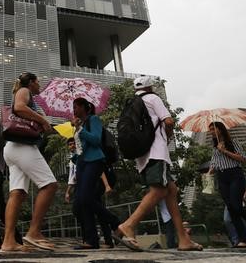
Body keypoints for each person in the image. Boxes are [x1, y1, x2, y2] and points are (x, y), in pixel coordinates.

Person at [115, 76, 202, 252]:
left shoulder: (132, 103)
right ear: (150, 87)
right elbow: (168, 121)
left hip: (142, 154)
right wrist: (168, 136)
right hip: (156, 152)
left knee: (171, 191)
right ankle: (129, 225)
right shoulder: (153, 98)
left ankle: (183, 239)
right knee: (160, 190)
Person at [0, 72, 57, 252]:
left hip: (12, 148)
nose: (39, 84)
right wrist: (43, 120)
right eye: (38, 81)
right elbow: (19, 107)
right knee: (49, 185)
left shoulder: (25, 92)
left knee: (17, 194)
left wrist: (40, 122)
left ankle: (8, 242)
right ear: (31, 83)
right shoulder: (24, 91)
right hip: (22, 147)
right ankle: (34, 232)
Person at [207, 121, 246, 248]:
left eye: (213, 129)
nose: (211, 132)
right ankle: (244, 239)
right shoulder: (215, 147)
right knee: (231, 209)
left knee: (237, 207)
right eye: (210, 130)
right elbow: (214, 164)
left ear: (220, 130)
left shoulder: (233, 143)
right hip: (222, 177)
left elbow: (242, 159)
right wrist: (209, 172)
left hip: (235, 175)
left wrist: (224, 151)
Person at [71, 97, 120, 250]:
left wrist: (80, 130)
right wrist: (75, 155)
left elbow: (96, 140)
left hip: (95, 161)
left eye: (76, 106)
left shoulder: (94, 120)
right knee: (79, 203)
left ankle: (115, 222)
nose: (74, 110)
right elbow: (82, 147)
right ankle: (91, 240)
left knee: (86, 198)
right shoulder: (81, 124)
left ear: (84, 107)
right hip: (82, 163)